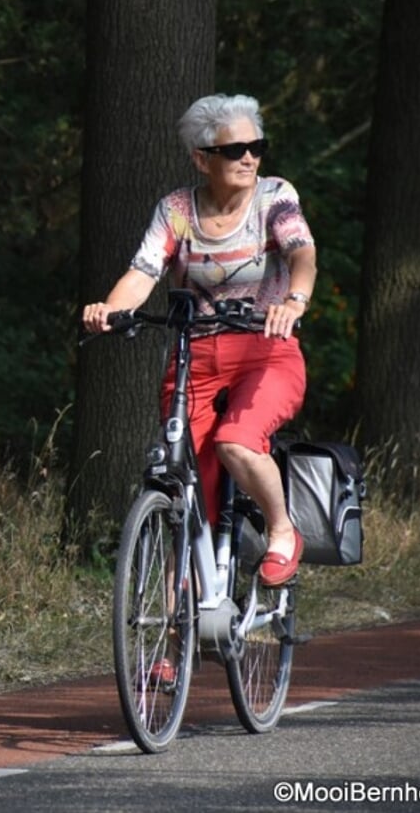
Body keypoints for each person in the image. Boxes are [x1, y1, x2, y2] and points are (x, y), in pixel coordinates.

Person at [82, 93, 318, 589]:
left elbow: (302, 253)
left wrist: (293, 301)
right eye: (234, 150)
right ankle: (171, 648)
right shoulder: (176, 210)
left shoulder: (274, 197)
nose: (249, 157)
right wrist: (110, 309)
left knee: (237, 442)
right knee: (191, 498)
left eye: (256, 146)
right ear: (202, 158)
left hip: (267, 351)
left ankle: (281, 532)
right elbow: (143, 271)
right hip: (198, 358)